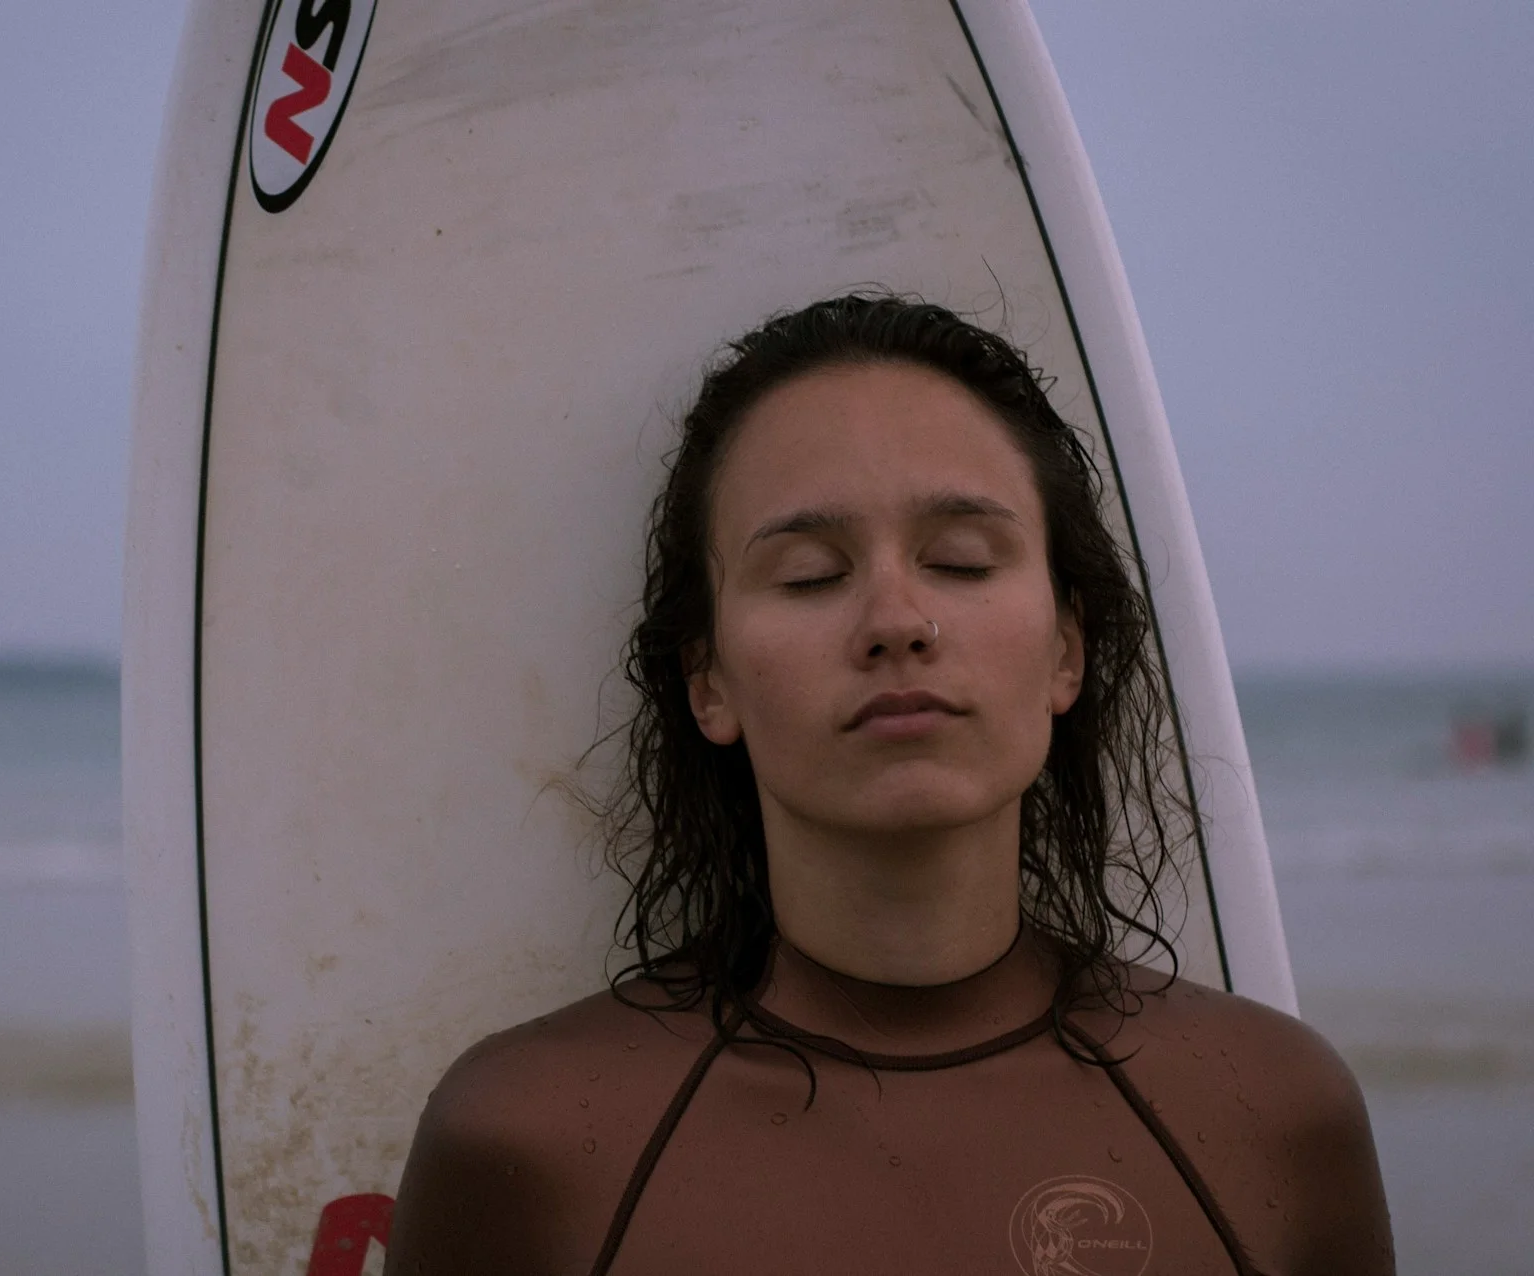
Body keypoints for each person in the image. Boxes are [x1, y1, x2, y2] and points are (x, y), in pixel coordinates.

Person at [384, 294, 1392, 1276]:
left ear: (1065, 653)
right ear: (709, 680)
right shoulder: (531, 1145)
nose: (897, 618)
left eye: (960, 560)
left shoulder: (1272, 1116)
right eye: (812, 575)